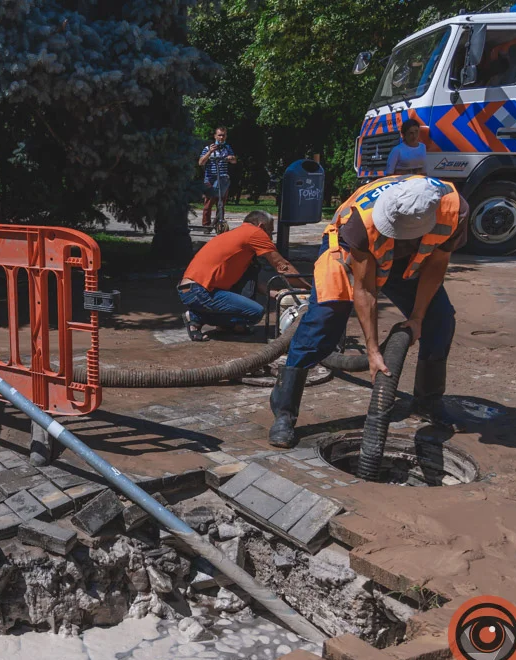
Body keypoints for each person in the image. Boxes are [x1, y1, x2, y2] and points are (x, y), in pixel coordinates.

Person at [267, 175, 469, 448]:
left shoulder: (454, 209)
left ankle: (427, 401)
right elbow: (365, 289)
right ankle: (284, 412)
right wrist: (373, 351)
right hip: (347, 246)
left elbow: (436, 265)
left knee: (439, 320)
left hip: (411, 256)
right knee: (324, 321)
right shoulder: (362, 223)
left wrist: (419, 317)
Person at [178, 210, 305, 341]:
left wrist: (276, 294)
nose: (270, 238)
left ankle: (226, 325)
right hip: (200, 291)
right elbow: (282, 265)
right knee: (255, 312)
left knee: (252, 269)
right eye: (270, 232)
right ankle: (196, 317)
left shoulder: (237, 235)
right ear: (261, 226)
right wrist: (309, 288)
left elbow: (250, 280)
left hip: (191, 289)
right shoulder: (255, 233)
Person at [199, 126, 236, 227]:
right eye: (219, 135)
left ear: (226, 136)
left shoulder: (227, 148)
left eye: (223, 135)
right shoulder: (208, 148)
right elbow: (201, 162)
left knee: (221, 204)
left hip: (223, 179)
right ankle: (206, 225)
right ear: (215, 136)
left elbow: (234, 161)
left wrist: (231, 158)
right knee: (208, 203)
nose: (221, 137)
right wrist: (210, 152)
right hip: (210, 180)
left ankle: (219, 224)